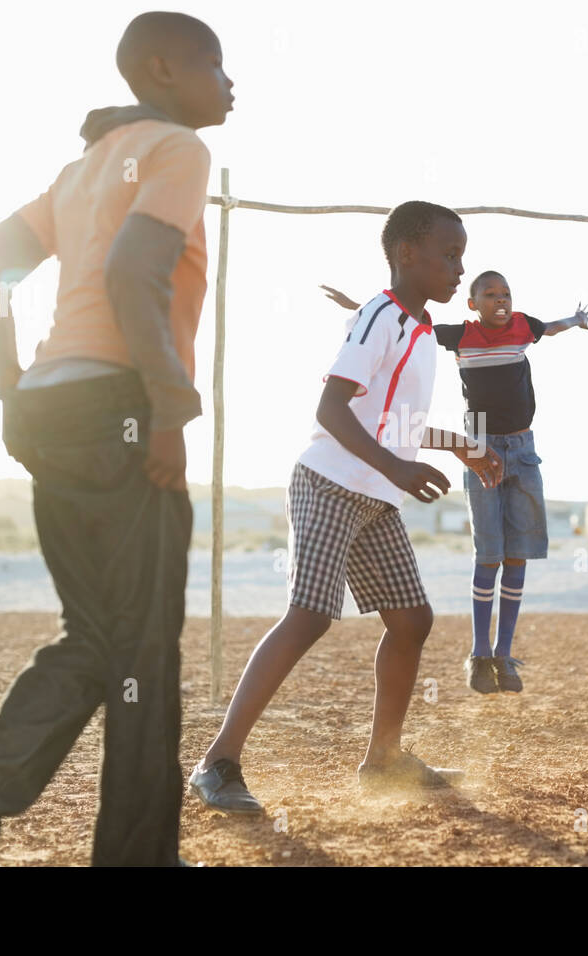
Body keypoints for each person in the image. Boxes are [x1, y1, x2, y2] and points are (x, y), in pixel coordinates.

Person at [0, 12, 233, 866]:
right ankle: (120, 852)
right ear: (162, 69)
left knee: (100, 637)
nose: (230, 85)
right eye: (214, 65)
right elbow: (133, 270)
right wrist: (167, 406)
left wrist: (12, 386)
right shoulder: (176, 150)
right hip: (120, 410)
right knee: (141, 646)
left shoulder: (81, 170)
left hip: (54, 410)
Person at [189, 202, 504, 815]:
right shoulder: (378, 317)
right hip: (330, 482)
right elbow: (331, 411)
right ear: (406, 254)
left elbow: (396, 424)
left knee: (412, 620)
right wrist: (397, 467)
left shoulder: (419, 335)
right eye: (448, 254)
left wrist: (461, 445)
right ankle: (217, 762)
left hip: (376, 497)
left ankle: (384, 761)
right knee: (309, 616)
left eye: (462, 256)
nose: (458, 268)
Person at [323, 271, 588, 694]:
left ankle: (504, 656)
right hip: (479, 442)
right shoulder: (458, 334)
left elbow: (553, 329)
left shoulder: (525, 325)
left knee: (517, 554)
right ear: (473, 304)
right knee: (489, 554)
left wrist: (576, 320)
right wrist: (356, 306)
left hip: (523, 448)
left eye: (506, 294)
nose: (500, 301)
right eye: (490, 295)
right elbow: (405, 322)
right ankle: (479, 655)